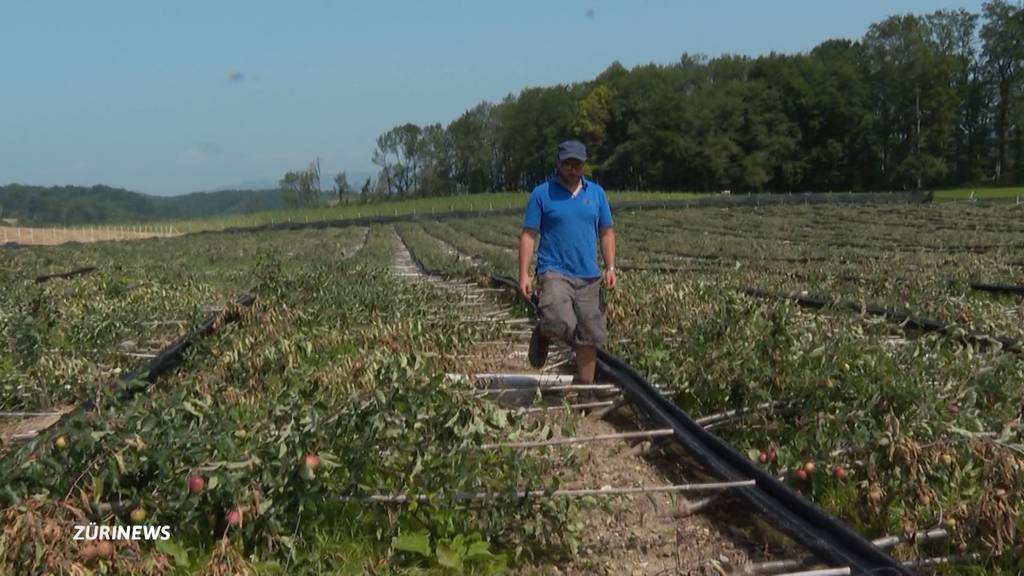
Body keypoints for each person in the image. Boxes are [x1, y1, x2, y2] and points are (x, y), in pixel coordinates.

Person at [518, 140, 616, 385]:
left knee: (589, 334)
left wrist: (610, 267)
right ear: (557, 163)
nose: (572, 168)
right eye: (567, 163)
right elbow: (529, 235)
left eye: (577, 164)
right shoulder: (542, 194)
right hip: (554, 271)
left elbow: (606, 232)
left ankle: (586, 388)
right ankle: (543, 331)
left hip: (589, 274)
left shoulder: (596, 194)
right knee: (560, 321)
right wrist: (524, 274)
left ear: (584, 165)